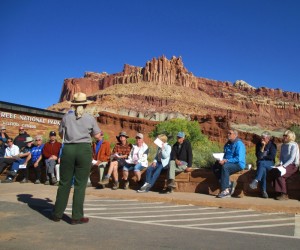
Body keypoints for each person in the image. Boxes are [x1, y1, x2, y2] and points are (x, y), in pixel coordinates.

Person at [52, 92, 102, 225]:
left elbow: (61, 133)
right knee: (80, 184)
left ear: (73, 105)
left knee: (64, 183)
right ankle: (76, 216)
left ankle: (57, 214)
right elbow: (97, 136)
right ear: (85, 104)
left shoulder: (66, 118)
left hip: (68, 149)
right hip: (83, 150)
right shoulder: (90, 118)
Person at [212, 128, 246, 198]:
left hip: (238, 164)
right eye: (227, 133)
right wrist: (221, 159)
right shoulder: (227, 144)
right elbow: (225, 154)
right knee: (215, 167)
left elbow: (238, 158)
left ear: (235, 135)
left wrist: (226, 161)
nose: (228, 135)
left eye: (230, 133)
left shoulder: (239, 144)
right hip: (228, 162)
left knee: (225, 167)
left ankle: (225, 190)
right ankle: (229, 184)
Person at [272, 130, 299, 200]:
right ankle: (278, 192)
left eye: (286, 136)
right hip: (284, 165)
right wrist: (280, 164)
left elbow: (292, 158)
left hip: (293, 165)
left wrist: (283, 166)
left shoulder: (294, 145)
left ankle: (284, 194)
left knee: (281, 174)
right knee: (274, 171)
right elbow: (281, 157)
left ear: (290, 137)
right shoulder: (283, 145)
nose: (284, 137)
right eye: (284, 135)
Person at [249, 131, 277, 198]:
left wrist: (263, 157)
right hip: (261, 164)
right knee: (263, 170)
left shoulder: (272, 145)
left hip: (270, 164)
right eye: (261, 138)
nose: (262, 139)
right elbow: (258, 156)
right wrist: (263, 146)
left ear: (268, 138)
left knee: (262, 163)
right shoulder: (258, 145)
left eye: (263, 138)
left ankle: (256, 180)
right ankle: (264, 192)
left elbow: (271, 157)